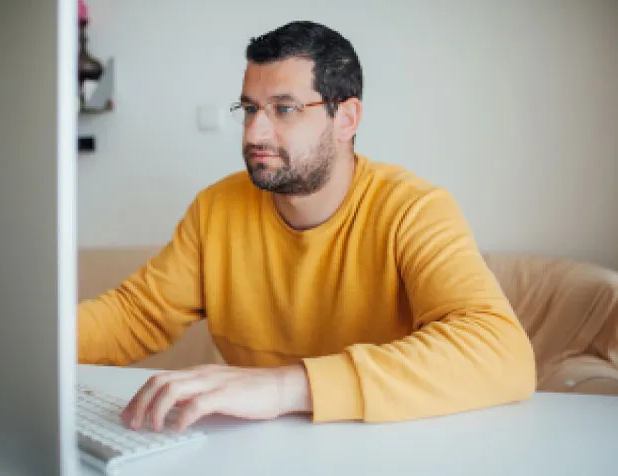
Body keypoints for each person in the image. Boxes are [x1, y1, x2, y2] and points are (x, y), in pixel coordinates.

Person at [77, 20, 536, 433]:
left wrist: (284, 389)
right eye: (250, 108)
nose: (255, 133)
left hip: (387, 448)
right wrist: (29, 343)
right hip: (256, 453)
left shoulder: (413, 210)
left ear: (347, 118)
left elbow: (501, 352)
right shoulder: (216, 208)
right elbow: (134, 317)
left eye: (285, 109)